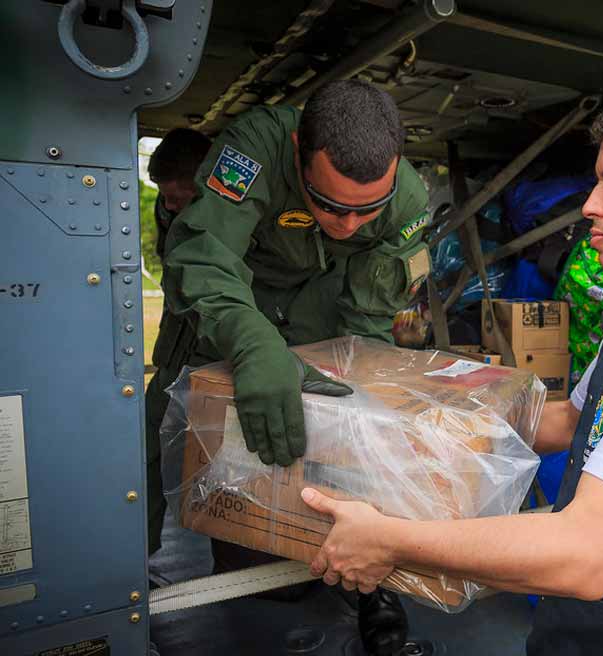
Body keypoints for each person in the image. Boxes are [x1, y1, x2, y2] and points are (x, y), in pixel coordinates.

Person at [300, 83, 603, 655]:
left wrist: (391, 540)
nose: (590, 205)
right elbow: (566, 422)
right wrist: (410, 419)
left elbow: (586, 553)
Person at [148, 80, 431, 656]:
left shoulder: (406, 199)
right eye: (328, 205)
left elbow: (369, 320)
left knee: (356, 440)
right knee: (153, 439)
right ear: (300, 148)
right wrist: (251, 342)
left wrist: (367, 401)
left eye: (364, 210)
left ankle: (374, 584)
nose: (347, 225)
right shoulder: (255, 148)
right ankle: (118, 588)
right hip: (228, 312)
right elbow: (204, 255)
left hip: (320, 319)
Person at [147, 127, 212, 262]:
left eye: (175, 199)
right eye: (163, 196)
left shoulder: (233, 211)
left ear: (201, 189)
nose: (168, 205)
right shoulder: (165, 210)